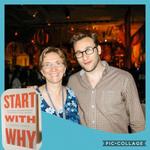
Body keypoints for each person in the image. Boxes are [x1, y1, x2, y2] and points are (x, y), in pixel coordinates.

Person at [68, 31, 145, 133]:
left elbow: (137, 123)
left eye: (88, 50)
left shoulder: (124, 78)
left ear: (98, 50)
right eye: (79, 53)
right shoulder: (73, 81)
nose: (84, 57)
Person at [35, 46, 80, 124]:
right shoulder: (32, 98)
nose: (53, 69)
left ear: (64, 68)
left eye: (58, 63)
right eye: (47, 64)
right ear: (42, 71)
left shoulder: (73, 95)